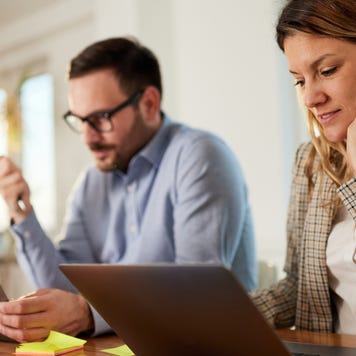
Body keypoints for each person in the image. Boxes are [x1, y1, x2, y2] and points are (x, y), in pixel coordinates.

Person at [0, 37, 257, 342]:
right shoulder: (92, 183)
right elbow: (64, 293)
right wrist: (21, 212)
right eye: (80, 120)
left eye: (100, 119)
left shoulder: (200, 156)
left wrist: (86, 312)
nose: (87, 138)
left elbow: (196, 291)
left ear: (149, 104)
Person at [252, 0, 356, 334]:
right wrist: (224, 314)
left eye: (326, 71)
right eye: (299, 80)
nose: (310, 98)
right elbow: (299, 286)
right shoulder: (311, 161)